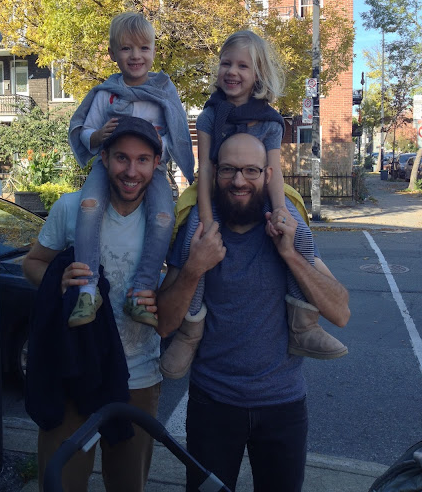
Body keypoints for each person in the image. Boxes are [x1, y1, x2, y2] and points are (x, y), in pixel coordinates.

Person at [158, 133, 350, 492]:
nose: (239, 180)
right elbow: (165, 324)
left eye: (251, 170)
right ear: (215, 174)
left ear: (267, 175)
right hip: (212, 404)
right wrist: (194, 268)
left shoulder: (286, 229)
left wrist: (290, 255)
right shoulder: (197, 233)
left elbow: (340, 311)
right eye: (228, 169)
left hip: (283, 405)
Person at [160, 30, 347, 379]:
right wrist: (206, 220)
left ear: (258, 74)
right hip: (214, 192)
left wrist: (281, 213)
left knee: (299, 234)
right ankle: (189, 332)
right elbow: (206, 170)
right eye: (226, 63)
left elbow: (273, 173)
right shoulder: (210, 115)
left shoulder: (270, 120)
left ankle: (303, 324)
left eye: (242, 66)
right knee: (192, 241)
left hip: (264, 192)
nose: (232, 71)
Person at [23, 117, 166, 492]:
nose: (131, 171)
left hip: (139, 376)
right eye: (121, 158)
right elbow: (32, 263)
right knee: (62, 484)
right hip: (73, 371)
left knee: (128, 486)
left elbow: (179, 287)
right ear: (104, 158)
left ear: (156, 163)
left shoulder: (166, 221)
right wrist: (57, 281)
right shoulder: (71, 208)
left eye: (142, 159)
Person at [68, 11, 194, 328]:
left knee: (164, 217)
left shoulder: (164, 91)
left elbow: (176, 133)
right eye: (126, 48)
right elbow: (85, 130)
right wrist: (97, 136)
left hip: (153, 169)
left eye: (143, 48)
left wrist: (159, 146)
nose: (135, 55)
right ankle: (87, 290)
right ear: (112, 54)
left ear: (154, 51)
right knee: (88, 205)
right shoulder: (105, 94)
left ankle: (141, 291)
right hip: (108, 165)